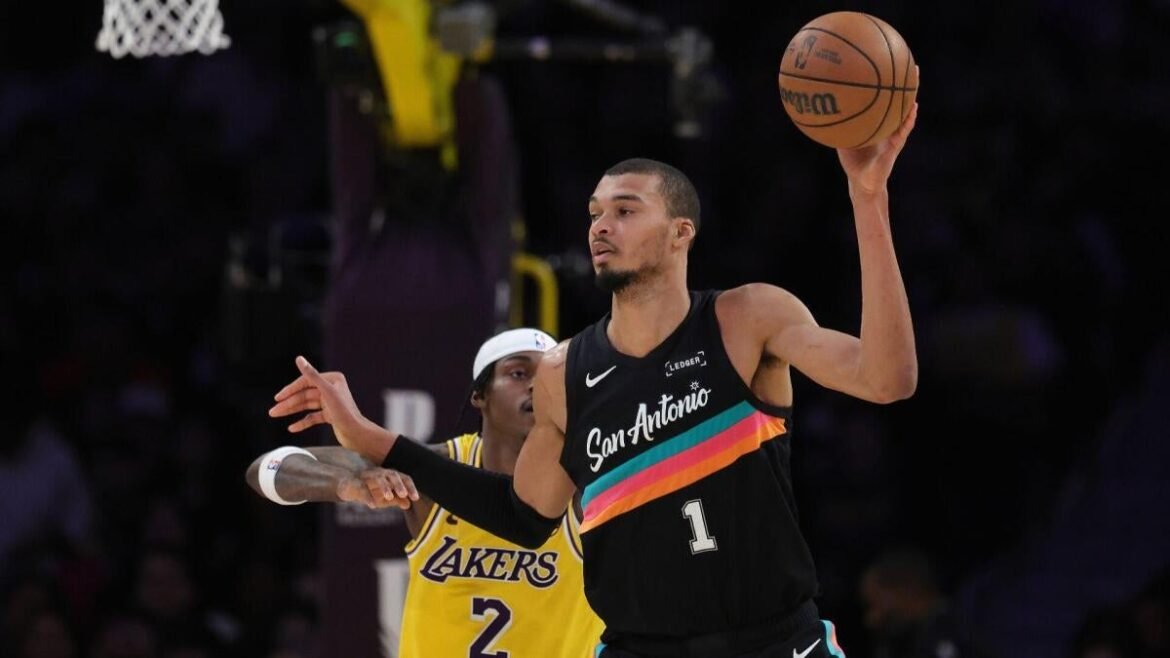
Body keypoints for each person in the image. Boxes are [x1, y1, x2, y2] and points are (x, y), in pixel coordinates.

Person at [270, 102, 920, 657]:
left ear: (680, 233)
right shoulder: (564, 372)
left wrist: (869, 199)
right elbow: (523, 516)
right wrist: (371, 440)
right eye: (594, 213)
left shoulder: (747, 319)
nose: (601, 226)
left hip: (773, 642)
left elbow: (886, 379)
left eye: (626, 210)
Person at [248, 328, 604, 658]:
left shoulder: (583, 483)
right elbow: (267, 468)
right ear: (479, 395)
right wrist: (347, 483)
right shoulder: (434, 469)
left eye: (547, 379)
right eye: (519, 373)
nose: (535, 387)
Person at [859, 547, 983, 658]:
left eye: (875, 605)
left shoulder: (961, 630)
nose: (872, 619)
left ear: (906, 589)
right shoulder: (908, 641)